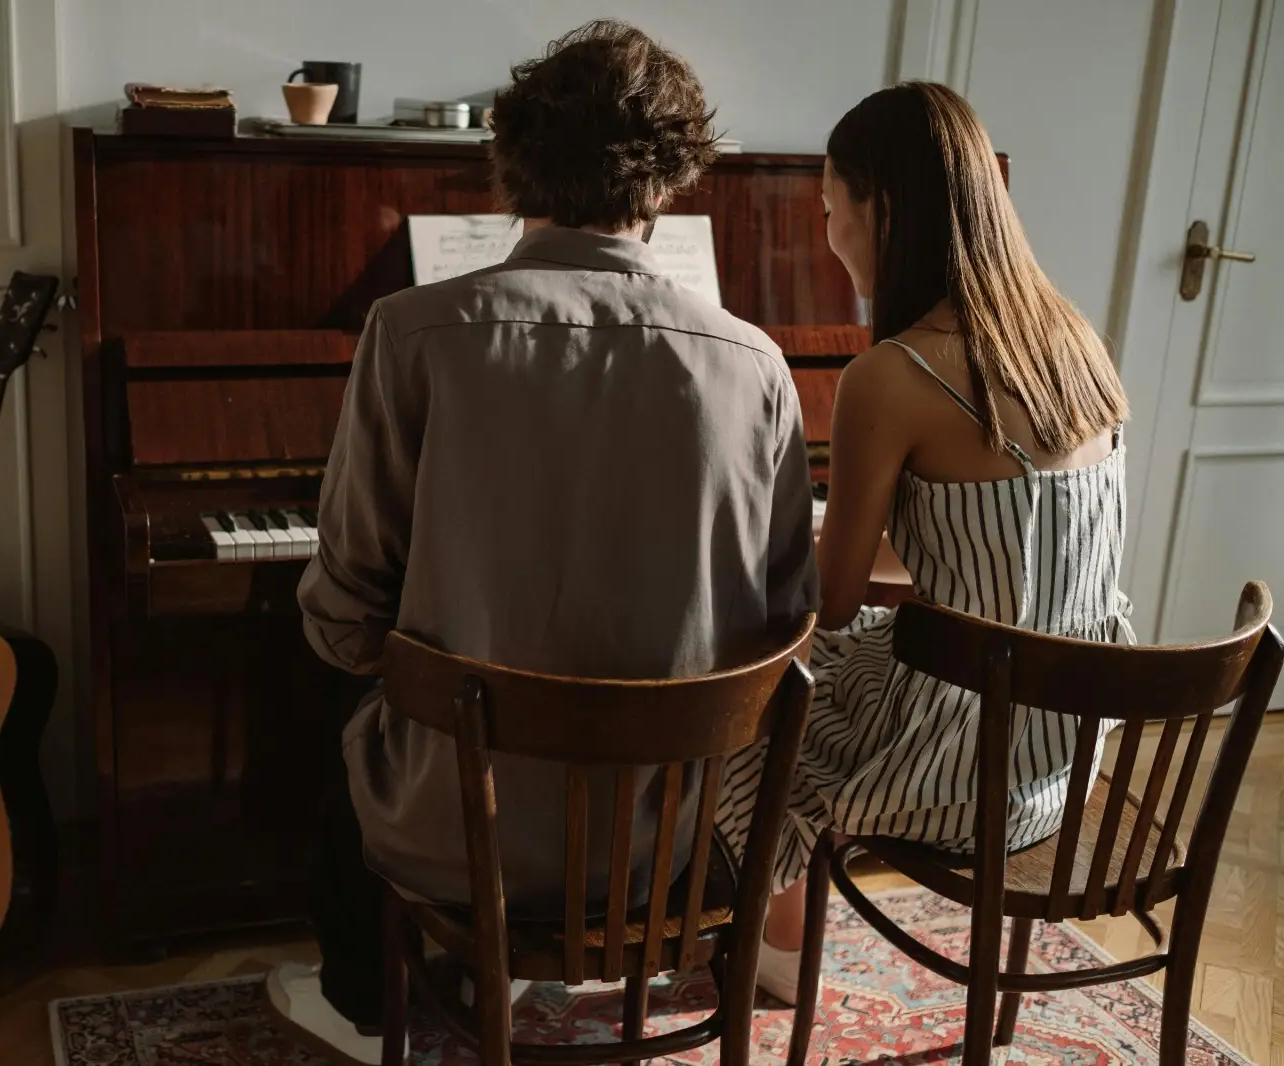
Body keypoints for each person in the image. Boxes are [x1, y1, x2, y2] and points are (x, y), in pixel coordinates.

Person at [267, 19, 817, 1061]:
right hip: (670, 843)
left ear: (511, 162)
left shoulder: (411, 331)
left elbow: (342, 618)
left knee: (330, 686)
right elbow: (786, 623)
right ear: (671, 178)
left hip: (456, 833)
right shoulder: (755, 363)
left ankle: (368, 999)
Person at [714, 80, 1134, 1002]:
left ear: (881, 208)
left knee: (751, 704)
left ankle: (778, 945)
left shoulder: (893, 373)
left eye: (830, 205)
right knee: (836, 665)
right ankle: (779, 938)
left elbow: (831, 600)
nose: (828, 230)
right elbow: (995, 545)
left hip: (963, 769)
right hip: (1068, 745)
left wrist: (769, 544)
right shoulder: (1075, 343)